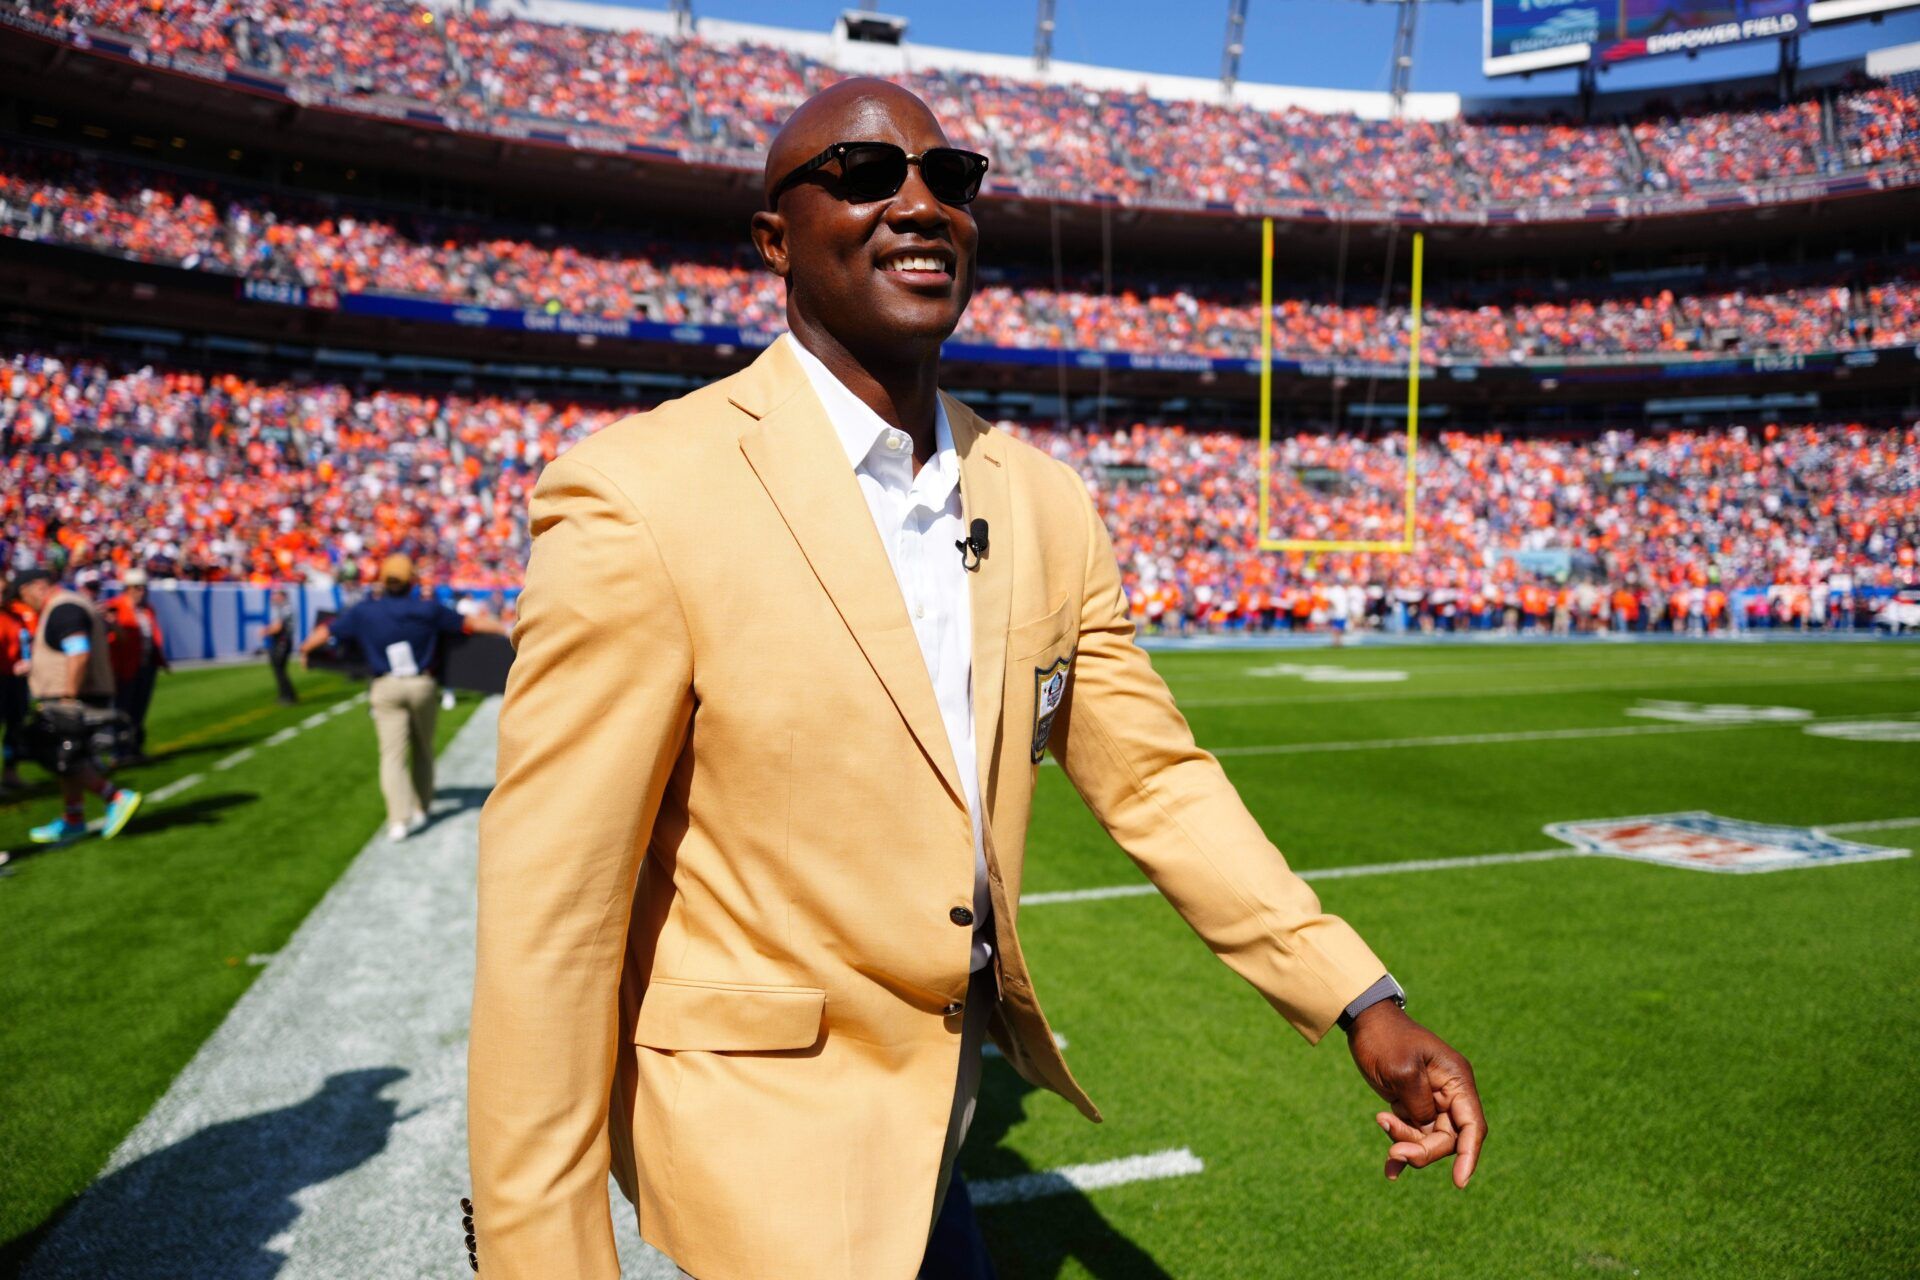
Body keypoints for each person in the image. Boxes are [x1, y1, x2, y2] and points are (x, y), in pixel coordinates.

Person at [467, 80, 1484, 1280]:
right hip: (764, 1143)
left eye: (950, 180)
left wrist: (1362, 997)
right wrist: (540, 1250)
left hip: (932, 1125)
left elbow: (1155, 778)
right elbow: (554, 908)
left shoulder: (1039, 498)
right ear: (774, 240)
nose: (916, 202)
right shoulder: (640, 493)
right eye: (860, 174)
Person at [300, 554, 502, 841]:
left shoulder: (365, 611)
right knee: (423, 749)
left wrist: (305, 649)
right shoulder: (428, 609)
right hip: (422, 684)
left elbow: (326, 631)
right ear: (413, 580)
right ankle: (423, 806)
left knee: (392, 756)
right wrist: (504, 629)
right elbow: (472, 624)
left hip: (385, 687)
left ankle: (398, 819)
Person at [15, 569, 143, 845]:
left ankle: (114, 796)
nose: (26, 603)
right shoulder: (70, 604)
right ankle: (73, 818)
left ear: (37, 586)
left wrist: (68, 698)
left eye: (24, 595)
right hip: (78, 693)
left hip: (73, 696)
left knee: (58, 754)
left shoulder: (63, 608)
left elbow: (78, 651)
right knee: (68, 757)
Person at [102, 568, 170, 762]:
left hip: (146, 665)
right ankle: (119, 752)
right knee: (123, 710)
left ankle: (134, 748)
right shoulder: (115, 607)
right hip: (125, 668)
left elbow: (153, 636)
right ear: (128, 589)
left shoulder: (147, 609)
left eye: (143, 588)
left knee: (139, 709)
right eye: (137, 588)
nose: (141, 591)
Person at [0, 580, 29, 792]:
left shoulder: (16, 615)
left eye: (4, 591)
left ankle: (10, 772)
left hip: (15, 680)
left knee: (15, 727)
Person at [263, 587, 299, 705]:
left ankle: (287, 696)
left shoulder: (283, 608)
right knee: (280, 669)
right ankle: (286, 694)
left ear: (282, 596)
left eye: (276, 594)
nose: (273, 597)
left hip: (282, 641)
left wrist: (266, 631)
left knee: (279, 669)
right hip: (284, 641)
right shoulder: (285, 607)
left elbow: (278, 626)